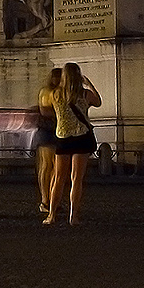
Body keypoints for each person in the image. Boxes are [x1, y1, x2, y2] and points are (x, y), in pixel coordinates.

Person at [46, 63, 101, 226]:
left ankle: (51, 215)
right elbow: (98, 102)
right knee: (76, 179)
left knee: (58, 178)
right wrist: (88, 83)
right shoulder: (85, 94)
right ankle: (74, 216)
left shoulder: (55, 94)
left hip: (62, 137)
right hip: (81, 136)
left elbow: (50, 109)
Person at [33, 68, 62, 215]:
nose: (57, 80)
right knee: (46, 166)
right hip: (48, 130)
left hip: (58, 130)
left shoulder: (56, 92)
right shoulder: (46, 91)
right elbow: (44, 110)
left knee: (56, 167)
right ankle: (45, 200)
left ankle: (52, 199)